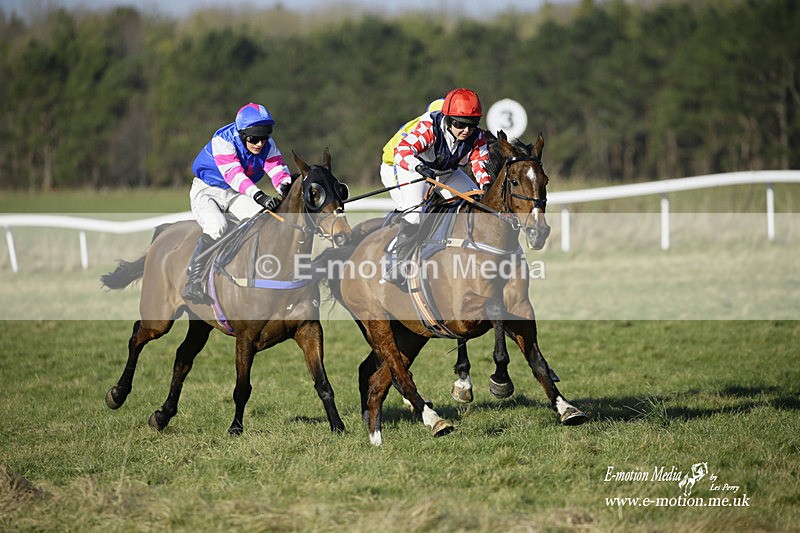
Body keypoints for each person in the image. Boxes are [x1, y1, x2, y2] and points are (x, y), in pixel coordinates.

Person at [182, 102, 293, 305]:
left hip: (234, 194)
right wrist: (259, 196)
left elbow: (278, 171)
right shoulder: (222, 140)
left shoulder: (268, 145)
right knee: (218, 227)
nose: (260, 143)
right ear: (242, 134)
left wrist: (287, 192)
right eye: (254, 138)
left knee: (264, 220)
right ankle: (193, 279)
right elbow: (234, 175)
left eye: (264, 137)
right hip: (207, 191)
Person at [379, 88, 492, 249]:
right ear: (448, 119)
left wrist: (485, 184)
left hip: (444, 171)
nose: (466, 130)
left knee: (476, 202)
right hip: (409, 168)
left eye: (472, 124)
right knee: (414, 217)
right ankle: (397, 263)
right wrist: (418, 167)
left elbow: (480, 162)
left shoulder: (477, 136)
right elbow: (402, 151)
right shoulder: (429, 126)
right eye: (460, 124)